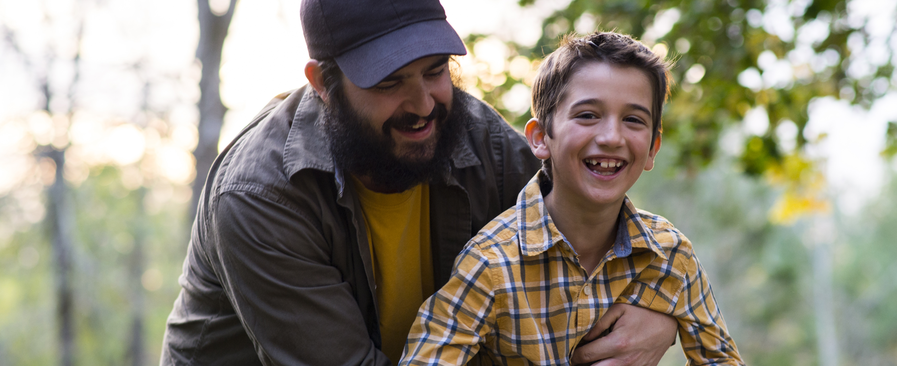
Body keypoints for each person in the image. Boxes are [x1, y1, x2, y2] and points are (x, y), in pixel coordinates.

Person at [159, 0, 677, 364]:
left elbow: (591, 250)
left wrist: (660, 316)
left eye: (435, 71)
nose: (424, 104)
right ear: (324, 83)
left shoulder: (482, 142)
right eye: (390, 82)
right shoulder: (262, 196)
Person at [399, 32, 744, 366]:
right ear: (539, 138)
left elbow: (721, 359)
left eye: (633, 120)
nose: (611, 137)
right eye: (587, 115)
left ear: (653, 148)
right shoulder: (490, 265)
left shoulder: (671, 257)